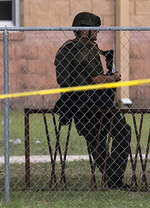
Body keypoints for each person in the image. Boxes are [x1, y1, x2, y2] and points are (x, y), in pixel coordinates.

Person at [53, 12, 132, 190]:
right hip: (95, 104)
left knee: (95, 141)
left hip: (73, 104)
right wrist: (114, 78)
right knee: (123, 132)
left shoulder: (65, 49)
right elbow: (98, 80)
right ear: (84, 30)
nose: (97, 33)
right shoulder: (87, 50)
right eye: (94, 30)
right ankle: (115, 179)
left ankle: (112, 178)